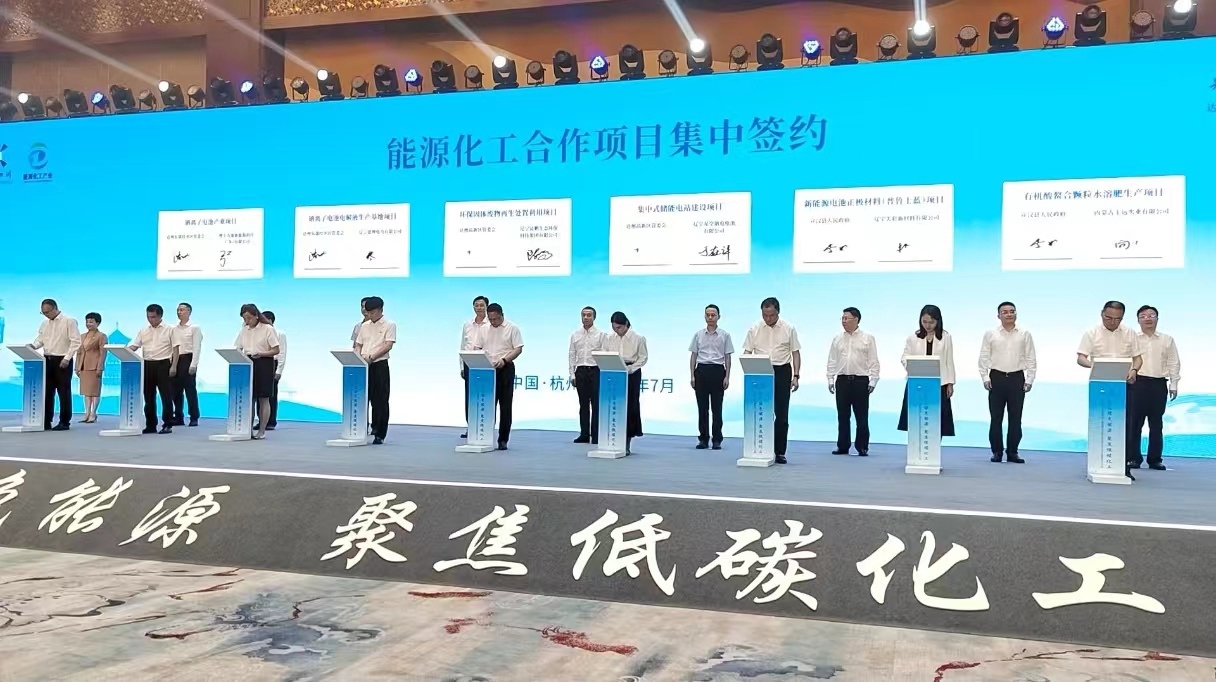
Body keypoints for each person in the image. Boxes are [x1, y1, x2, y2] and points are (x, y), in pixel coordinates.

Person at [1076, 301, 1144, 479]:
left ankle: (1124, 466)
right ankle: (1098, 464)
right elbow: (1081, 357)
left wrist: (1134, 370)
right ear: (1101, 314)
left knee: (1126, 425)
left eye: (1117, 319)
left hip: (1124, 383)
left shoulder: (1129, 332)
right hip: (1100, 383)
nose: (1113, 322)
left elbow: (1138, 358)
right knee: (1099, 422)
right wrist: (1095, 366)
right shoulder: (1091, 333)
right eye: (1108, 318)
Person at [742, 297, 800, 464]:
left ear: (778, 313)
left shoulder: (788, 328)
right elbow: (747, 351)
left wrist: (796, 375)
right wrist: (747, 369)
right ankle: (760, 449)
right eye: (765, 315)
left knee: (781, 414)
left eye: (771, 315)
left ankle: (779, 451)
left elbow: (795, 353)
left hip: (782, 370)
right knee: (760, 411)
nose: (768, 318)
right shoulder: (754, 328)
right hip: (760, 371)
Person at [978, 301, 1037, 463]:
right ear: (998, 316)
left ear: (1016, 314)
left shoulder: (1025, 334)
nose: (1009, 314)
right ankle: (997, 452)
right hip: (996, 378)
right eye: (1005, 312)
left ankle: (1012, 452)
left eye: (1012, 311)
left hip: (1017, 378)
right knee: (996, 417)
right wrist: (985, 377)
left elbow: (1031, 357)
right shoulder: (991, 334)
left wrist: (1030, 378)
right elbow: (984, 356)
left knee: (1015, 418)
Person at [1130, 305, 1180, 471]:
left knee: (1156, 424)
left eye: (1152, 315)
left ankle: (1155, 459)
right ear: (1138, 320)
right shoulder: (1132, 339)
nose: (1148, 319)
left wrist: (1174, 383)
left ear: (1157, 319)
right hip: (1137, 383)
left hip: (1158, 384)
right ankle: (1133, 458)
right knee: (1134, 423)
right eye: (1143, 316)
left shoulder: (1167, 339)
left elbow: (1173, 362)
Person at [826, 307, 879, 457]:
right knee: (843, 415)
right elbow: (832, 360)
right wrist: (830, 378)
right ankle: (843, 446)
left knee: (861, 415)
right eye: (842, 318)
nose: (843, 321)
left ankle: (862, 446)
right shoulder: (837, 338)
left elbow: (873, 360)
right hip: (842, 380)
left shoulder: (867, 338)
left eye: (846, 318)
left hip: (860, 380)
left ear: (856, 319)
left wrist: (874, 380)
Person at [897, 305, 956, 439]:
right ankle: (916, 446)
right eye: (924, 322)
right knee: (916, 417)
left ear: (938, 321)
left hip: (939, 383)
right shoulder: (913, 337)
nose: (928, 326)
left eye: (931, 322)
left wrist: (950, 383)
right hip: (917, 381)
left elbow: (949, 360)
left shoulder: (946, 337)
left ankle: (934, 447)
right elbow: (904, 357)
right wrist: (913, 367)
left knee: (937, 419)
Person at [473, 302, 524, 450]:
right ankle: (485, 437)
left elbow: (518, 349)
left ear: (502, 315)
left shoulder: (512, 328)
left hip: (505, 368)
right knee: (487, 404)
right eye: (490, 319)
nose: (493, 322)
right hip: (486, 369)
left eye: (495, 319)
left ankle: (503, 439)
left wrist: (504, 360)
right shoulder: (484, 328)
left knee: (505, 405)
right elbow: (477, 347)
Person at [128, 304, 181, 434]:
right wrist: (124, 350)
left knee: (166, 396)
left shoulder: (170, 329)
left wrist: (174, 366)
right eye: (148, 317)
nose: (150, 320)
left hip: (163, 364)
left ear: (160, 316)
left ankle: (168, 424)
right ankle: (151, 424)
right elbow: (135, 346)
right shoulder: (143, 330)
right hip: (147, 364)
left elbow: (176, 349)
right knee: (148, 396)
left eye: (153, 317)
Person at [31, 298, 81, 431]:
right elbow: (40, 339)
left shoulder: (69, 321)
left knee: (63, 392)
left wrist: (67, 358)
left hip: (62, 360)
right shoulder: (44, 323)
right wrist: (33, 346)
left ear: (55, 308)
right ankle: (46, 420)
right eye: (43, 313)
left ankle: (64, 421)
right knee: (47, 391)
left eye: (47, 312)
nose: (46, 315)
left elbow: (76, 341)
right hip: (47, 359)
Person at [689, 304, 733, 450]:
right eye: (707, 315)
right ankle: (703, 439)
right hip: (701, 370)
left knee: (717, 408)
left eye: (713, 315)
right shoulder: (698, 335)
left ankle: (717, 439)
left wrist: (727, 376)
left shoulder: (725, 335)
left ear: (718, 317)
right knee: (702, 408)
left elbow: (727, 357)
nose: (710, 317)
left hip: (718, 371)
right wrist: (692, 375)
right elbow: (693, 355)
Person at [234, 303, 280, 440]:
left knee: (263, 398)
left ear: (256, 316)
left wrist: (261, 354)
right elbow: (237, 347)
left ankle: (262, 430)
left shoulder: (267, 329)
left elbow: (276, 350)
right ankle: (247, 429)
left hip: (264, 363)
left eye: (249, 318)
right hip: (248, 363)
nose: (247, 321)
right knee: (250, 398)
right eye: (244, 318)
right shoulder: (244, 330)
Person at [604, 311, 647, 455]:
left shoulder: (638, 338)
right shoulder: (609, 338)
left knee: (630, 406)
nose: (617, 331)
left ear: (626, 324)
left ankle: (627, 442)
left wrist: (631, 369)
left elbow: (643, 357)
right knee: (613, 405)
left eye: (619, 328)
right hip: (613, 372)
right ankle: (610, 440)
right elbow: (605, 353)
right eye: (614, 328)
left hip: (631, 373)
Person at [354, 296, 396, 445]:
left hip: (379, 364)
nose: (370, 315)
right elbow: (358, 344)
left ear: (380, 310)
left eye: (372, 312)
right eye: (368, 312)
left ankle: (380, 433)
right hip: (364, 365)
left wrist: (372, 357)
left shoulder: (389, 324)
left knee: (380, 400)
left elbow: (388, 345)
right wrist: (358, 357)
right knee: (365, 397)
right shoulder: (364, 326)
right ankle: (363, 428)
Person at [569, 305, 605, 444]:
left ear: (594, 317)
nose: (586, 317)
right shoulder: (575, 334)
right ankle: (584, 434)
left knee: (596, 404)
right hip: (581, 371)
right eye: (583, 315)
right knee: (583, 404)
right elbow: (572, 355)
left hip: (595, 370)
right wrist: (572, 374)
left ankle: (596, 435)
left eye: (589, 315)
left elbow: (604, 354)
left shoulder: (601, 334)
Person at [459, 295, 490, 438]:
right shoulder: (467, 324)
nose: (479, 308)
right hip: (469, 362)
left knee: (485, 396)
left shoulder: (491, 324)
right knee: (470, 396)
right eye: (476, 305)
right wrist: (461, 366)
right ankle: (470, 427)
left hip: (486, 363)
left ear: (487, 307)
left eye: (482, 305)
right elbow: (463, 345)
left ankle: (485, 428)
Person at [172, 302, 203, 427]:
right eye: (178, 310)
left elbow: (197, 347)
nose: (179, 312)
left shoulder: (194, 327)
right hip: (176, 359)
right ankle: (178, 416)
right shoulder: (174, 328)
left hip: (188, 358)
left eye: (182, 310)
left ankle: (194, 416)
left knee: (190, 390)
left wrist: (194, 364)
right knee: (175, 390)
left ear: (189, 312)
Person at [75, 312, 107, 424]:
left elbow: (103, 353)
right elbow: (79, 352)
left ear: (97, 323)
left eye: (91, 322)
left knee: (94, 392)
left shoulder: (101, 336)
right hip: (84, 366)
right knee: (86, 392)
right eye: (87, 322)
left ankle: (93, 413)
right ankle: (87, 413)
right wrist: (77, 367)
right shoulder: (82, 336)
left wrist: (100, 367)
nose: (88, 324)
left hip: (94, 367)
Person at [261, 310, 285, 431]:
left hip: (273, 364)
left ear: (270, 320)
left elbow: (282, 353)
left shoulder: (280, 334)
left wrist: (279, 371)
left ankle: (271, 421)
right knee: (261, 394)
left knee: (271, 395)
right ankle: (262, 421)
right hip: (261, 363)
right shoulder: (260, 333)